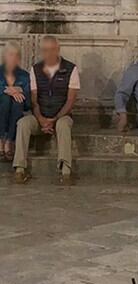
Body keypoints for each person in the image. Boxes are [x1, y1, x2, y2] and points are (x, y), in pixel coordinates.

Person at [13, 35, 80, 185]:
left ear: (58, 49)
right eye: (45, 50)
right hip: (40, 116)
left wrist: (54, 119)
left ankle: (66, 171)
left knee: (63, 125)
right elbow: (34, 100)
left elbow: (70, 100)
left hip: (61, 115)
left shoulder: (71, 69)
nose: (48, 54)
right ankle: (19, 168)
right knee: (23, 123)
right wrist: (41, 119)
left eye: (51, 50)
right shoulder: (36, 69)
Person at [0, 42, 30, 162]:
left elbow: (28, 105)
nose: (13, 58)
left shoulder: (25, 76)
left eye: (16, 55)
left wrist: (21, 90)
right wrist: (5, 90)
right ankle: (1, 139)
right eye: (10, 54)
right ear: (4, 56)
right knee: (5, 99)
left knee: (18, 101)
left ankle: (9, 141)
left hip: (16, 112)